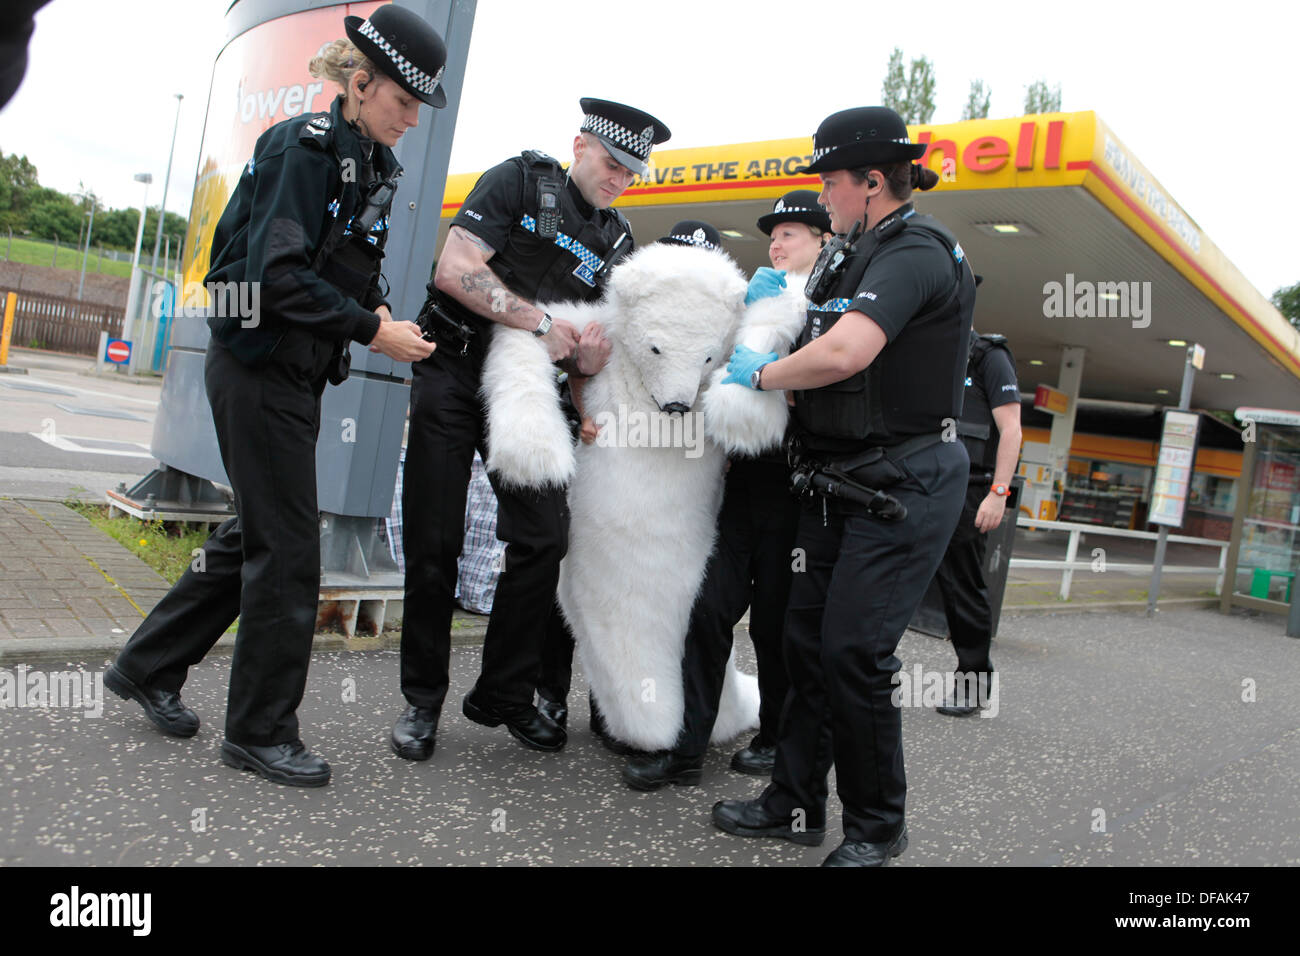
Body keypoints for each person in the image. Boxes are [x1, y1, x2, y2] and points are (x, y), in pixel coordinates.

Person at [104, 5, 444, 788]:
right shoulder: (306, 148)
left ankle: (147, 665)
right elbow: (274, 279)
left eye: (419, 106)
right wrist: (370, 330)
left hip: (289, 371)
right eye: (402, 101)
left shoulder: (366, 160)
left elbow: (340, 263)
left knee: (252, 535)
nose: (412, 119)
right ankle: (259, 732)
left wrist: (381, 312)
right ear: (360, 84)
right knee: (289, 551)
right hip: (256, 364)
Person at [711, 106, 976, 865]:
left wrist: (759, 375)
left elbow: (847, 353)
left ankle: (876, 828)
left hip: (905, 481)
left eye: (830, 181)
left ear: (872, 180)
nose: (821, 195)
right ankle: (793, 804)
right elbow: (810, 341)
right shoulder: (844, 255)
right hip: (832, 478)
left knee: (855, 653)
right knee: (803, 647)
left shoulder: (915, 250)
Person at [393, 98, 669, 759]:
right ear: (579, 146)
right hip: (455, 369)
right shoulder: (518, 181)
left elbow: (585, 348)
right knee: (436, 543)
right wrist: (540, 324)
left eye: (632, 172)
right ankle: (421, 702)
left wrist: (589, 362)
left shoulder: (618, 238)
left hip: (527, 392)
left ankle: (503, 692)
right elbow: (456, 270)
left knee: (545, 536)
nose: (619, 180)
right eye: (610, 163)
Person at [623, 191, 831, 790]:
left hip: (800, 491)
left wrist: (773, 375)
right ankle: (684, 750)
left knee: (775, 628)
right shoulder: (749, 304)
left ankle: (773, 737)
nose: (777, 243)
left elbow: (833, 384)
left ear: (821, 241)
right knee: (708, 611)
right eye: (774, 234)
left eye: (791, 233)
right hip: (745, 488)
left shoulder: (832, 306)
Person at [932, 328, 1021, 715]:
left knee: (961, 588)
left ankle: (974, 682)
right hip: (920, 482)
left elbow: (1011, 430)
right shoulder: (924, 347)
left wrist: (999, 493)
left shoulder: (988, 356)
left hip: (970, 489)